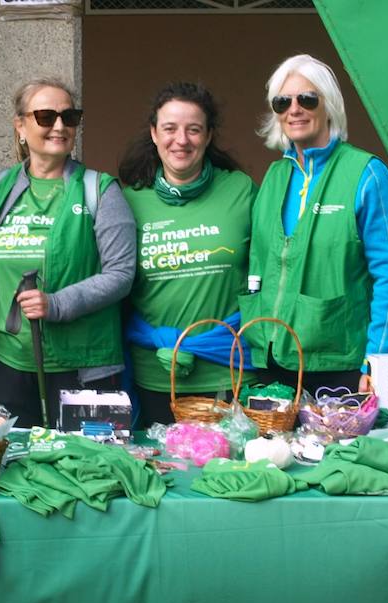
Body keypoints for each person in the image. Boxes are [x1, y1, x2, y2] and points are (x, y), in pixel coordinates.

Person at [0, 77, 136, 424]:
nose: (59, 126)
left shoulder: (99, 190)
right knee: (18, 470)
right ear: (21, 126)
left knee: (90, 469)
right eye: (45, 116)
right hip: (8, 365)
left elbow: (121, 274)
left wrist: (56, 303)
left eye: (69, 117)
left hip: (84, 368)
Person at [240, 54, 388, 397]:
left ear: (329, 105)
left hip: (338, 367)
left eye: (307, 98)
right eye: (282, 101)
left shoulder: (366, 174)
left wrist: (376, 361)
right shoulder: (274, 177)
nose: (294, 109)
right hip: (269, 363)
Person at [117, 82, 255, 427]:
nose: (182, 140)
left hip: (230, 372)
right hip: (156, 376)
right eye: (170, 128)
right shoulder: (128, 200)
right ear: (153, 133)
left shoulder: (240, 190)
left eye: (194, 129)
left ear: (208, 136)